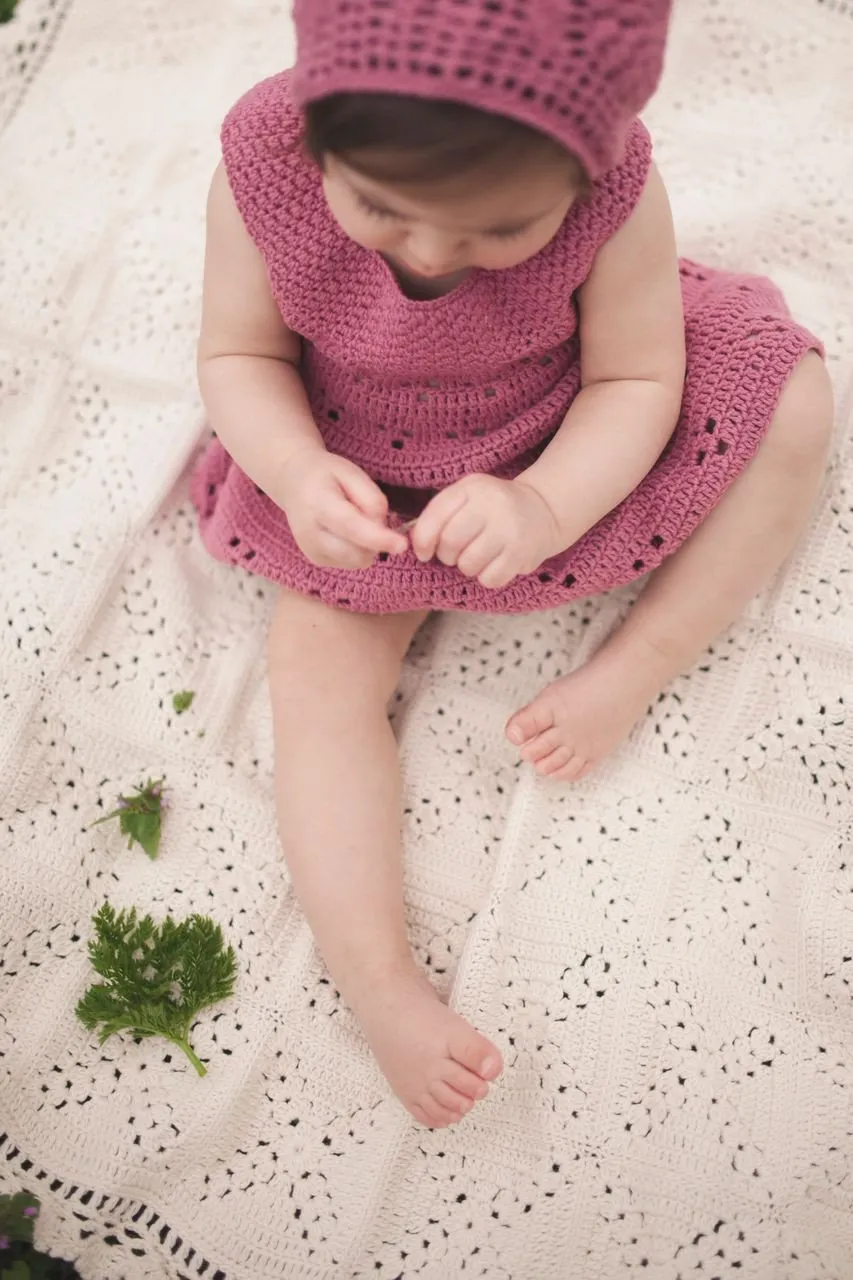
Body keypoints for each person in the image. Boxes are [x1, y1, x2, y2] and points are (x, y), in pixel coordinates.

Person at [193, 0, 833, 1129]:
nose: (433, 254)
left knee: (794, 400)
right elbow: (238, 351)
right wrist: (297, 475)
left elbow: (635, 379)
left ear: (581, 171)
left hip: (564, 415)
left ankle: (634, 664)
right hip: (355, 447)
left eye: (497, 228)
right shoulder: (264, 157)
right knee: (317, 674)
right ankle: (380, 979)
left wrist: (544, 501)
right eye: (382, 208)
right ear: (317, 129)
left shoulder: (613, 187)